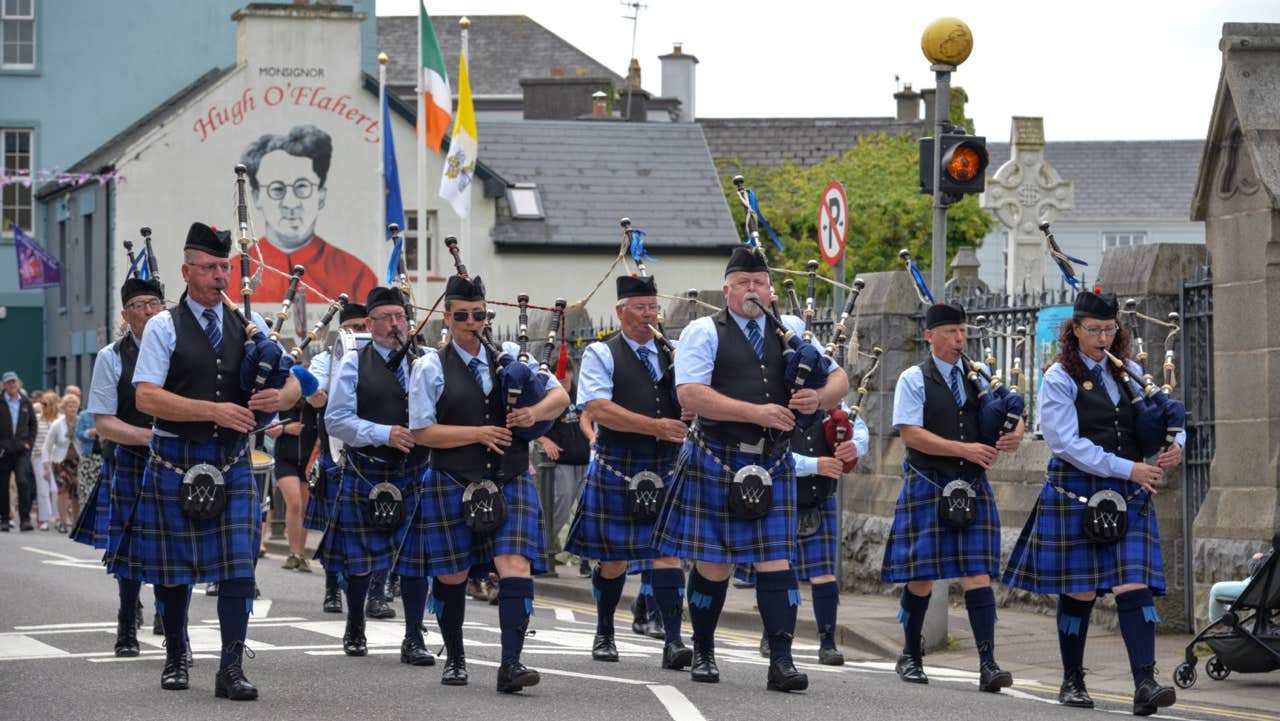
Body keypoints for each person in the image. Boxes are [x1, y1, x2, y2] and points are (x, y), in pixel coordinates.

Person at [651, 246, 849, 691]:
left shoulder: (790, 329)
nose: (752, 290)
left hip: (772, 459)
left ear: (770, 289)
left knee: (776, 560)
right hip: (717, 456)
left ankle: (781, 662)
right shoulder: (704, 331)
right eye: (743, 283)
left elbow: (839, 379)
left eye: (759, 282)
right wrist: (755, 413)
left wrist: (818, 399)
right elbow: (690, 394)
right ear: (727, 291)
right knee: (714, 563)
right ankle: (703, 650)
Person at [121, 221, 301, 700]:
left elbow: (295, 383)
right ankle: (176, 655)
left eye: (225, 267)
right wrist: (212, 410)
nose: (221, 276)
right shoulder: (164, 326)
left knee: (240, 566)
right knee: (173, 568)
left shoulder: (251, 325)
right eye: (209, 267)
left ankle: (231, 668)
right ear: (187, 271)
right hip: (176, 457)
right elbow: (146, 397)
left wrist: (279, 398)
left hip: (232, 458)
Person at [1003, 289, 1183, 716]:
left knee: (1134, 582)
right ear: (1075, 330)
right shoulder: (1059, 377)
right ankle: (1072, 679)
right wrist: (1128, 468)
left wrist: (1176, 443)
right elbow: (1065, 443)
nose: (1103, 338)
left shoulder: (1130, 371)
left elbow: (1162, 412)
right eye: (1094, 330)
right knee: (1079, 588)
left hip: (1128, 494)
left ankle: (1145, 683)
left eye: (1109, 329)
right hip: (1078, 488)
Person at [408, 271, 569, 692]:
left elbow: (560, 397)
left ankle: (511, 664)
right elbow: (421, 432)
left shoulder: (511, 355)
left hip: (509, 475)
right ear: (447, 317)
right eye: (462, 315)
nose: (471, 323)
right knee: (452, 574)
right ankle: (455, 658)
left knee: (515, 564)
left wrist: (534, 413)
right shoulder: (429, 367)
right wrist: (477, 434)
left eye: (478, 314)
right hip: (452, 477)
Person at [884, 302, 1023, 692]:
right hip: (928, 484)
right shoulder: (914, 378)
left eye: (962, 331)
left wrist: (1015, 434)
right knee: (922, 576)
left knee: (977, 574)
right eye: (950, 332)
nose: (960, 339)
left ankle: (988, 664)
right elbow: (910, 434)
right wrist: (965, 450)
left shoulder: (981, 376)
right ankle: (910, 654)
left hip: (972, 486)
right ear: (930, 336)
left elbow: (1011, 413)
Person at [565, 274, 693, 670]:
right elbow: (597, 408)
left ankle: (673, 640)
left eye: (653, 307)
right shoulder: (601, 353)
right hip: (618, 465)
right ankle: (605, 631)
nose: (648, 315)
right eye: (640, 308)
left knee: (668, 555)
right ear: (621, 312)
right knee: (613, 559)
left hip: (666, 466)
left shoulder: (674, 352)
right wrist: (655, 427)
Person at [321, 286, 435, 669]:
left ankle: (414, 637)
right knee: (360, 560)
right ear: (370, 325)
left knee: (416, 558)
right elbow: (336, 420)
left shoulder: (426, 361)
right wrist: (384, 433)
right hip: (368, 470)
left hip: (416, 471)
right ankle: (355, 623)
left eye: (400, 317)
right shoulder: (355, 363)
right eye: (385, 318)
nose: (394, 324)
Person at [76, 275, 165, 657]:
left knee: (172, 542)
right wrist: (149, 437)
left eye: (154, 304)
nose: (149, 311)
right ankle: (127, 619)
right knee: (130, 544)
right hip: (131, 458)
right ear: (126, 315)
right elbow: (103, 423)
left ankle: (168, 617)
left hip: (178, 462)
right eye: (140, 305)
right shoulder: (111, 357)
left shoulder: (181, 351)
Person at [754, 407, 869, 665]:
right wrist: (815, 464)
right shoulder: (779, 406)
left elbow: (861, 430)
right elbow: (771, 453)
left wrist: (854, 447)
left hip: (820, 502)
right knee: (779, 574)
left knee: (824, 574)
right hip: (782, 502)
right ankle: (772, 634)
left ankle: (828, 644)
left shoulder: (835, 409)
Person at [232, 125, 377, 305]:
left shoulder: (357, 276)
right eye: (277, 189)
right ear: (256, 197)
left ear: (321, 195)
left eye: (302, 187)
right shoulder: (232, 275)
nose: (291, 203)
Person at [303, 301, 369, 614]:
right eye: (354, 328)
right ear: (342, 331)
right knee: (336, 524)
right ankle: (332, 588)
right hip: (337, 451)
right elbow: (317, 397)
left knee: (380, 521)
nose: (360, 333)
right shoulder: (325, 360)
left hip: (373, 449)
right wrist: (314, 391)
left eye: (364, 327)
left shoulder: (382, 358)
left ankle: (378, 594)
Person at [536, 359, 591, 556]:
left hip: (586, 460)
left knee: (587, 510)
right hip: (562, 461)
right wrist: (545, 441)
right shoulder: (548, 396)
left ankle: (584, 558)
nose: (564, 377)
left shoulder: (581, 393)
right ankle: (544, 549)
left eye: (567, 372)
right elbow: (530, 424)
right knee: (561, 507)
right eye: (560, 374)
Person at [270, 396, 313, 572]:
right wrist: (285, 428)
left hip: (308, 461)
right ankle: (293, 553)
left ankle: (301, 555)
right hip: (285, 459)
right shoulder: (284, 397)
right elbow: (268, 427)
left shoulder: (315, 400)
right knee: (295, 504)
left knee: (305, 509)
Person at [0, 370, 37, 531]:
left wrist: (29, 443)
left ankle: (25, 519)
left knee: (23, 482)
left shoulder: (26, 402)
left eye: (14, 382)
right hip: (4, 451)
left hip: (22, 449)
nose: (12, 385)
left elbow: (33, 424)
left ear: (18, 383)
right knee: (3, 486)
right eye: (8, 382)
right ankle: (4, 519)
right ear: (4, 385)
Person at [42, 394, 82, 532]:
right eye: (70, 406)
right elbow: (47, 446)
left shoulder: (81, 422)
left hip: (79, 461)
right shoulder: (57, 424)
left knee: (77, 492)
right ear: (64, 408)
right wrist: (46, 466)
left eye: (75, 406)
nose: (72, 409)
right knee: (63, 490)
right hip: (60, 462)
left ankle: (76, 523)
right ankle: (63, 522)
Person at [1209, 549, 1273, 623]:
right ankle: (1228, 611)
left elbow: (1255, 570)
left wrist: (1255, 559)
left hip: (1257, 588)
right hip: (1266, 587)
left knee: (1215, 590)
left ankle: (1216, 623)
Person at [33, 391, 60, 530]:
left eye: (46, 404)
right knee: (43, 489)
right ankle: (44, 519)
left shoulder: (60, 420)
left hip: (57, 457)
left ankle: (58, 516)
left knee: (55, 489)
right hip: (38, 456)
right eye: (42, 403)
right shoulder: (37, 419)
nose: (42, 406)